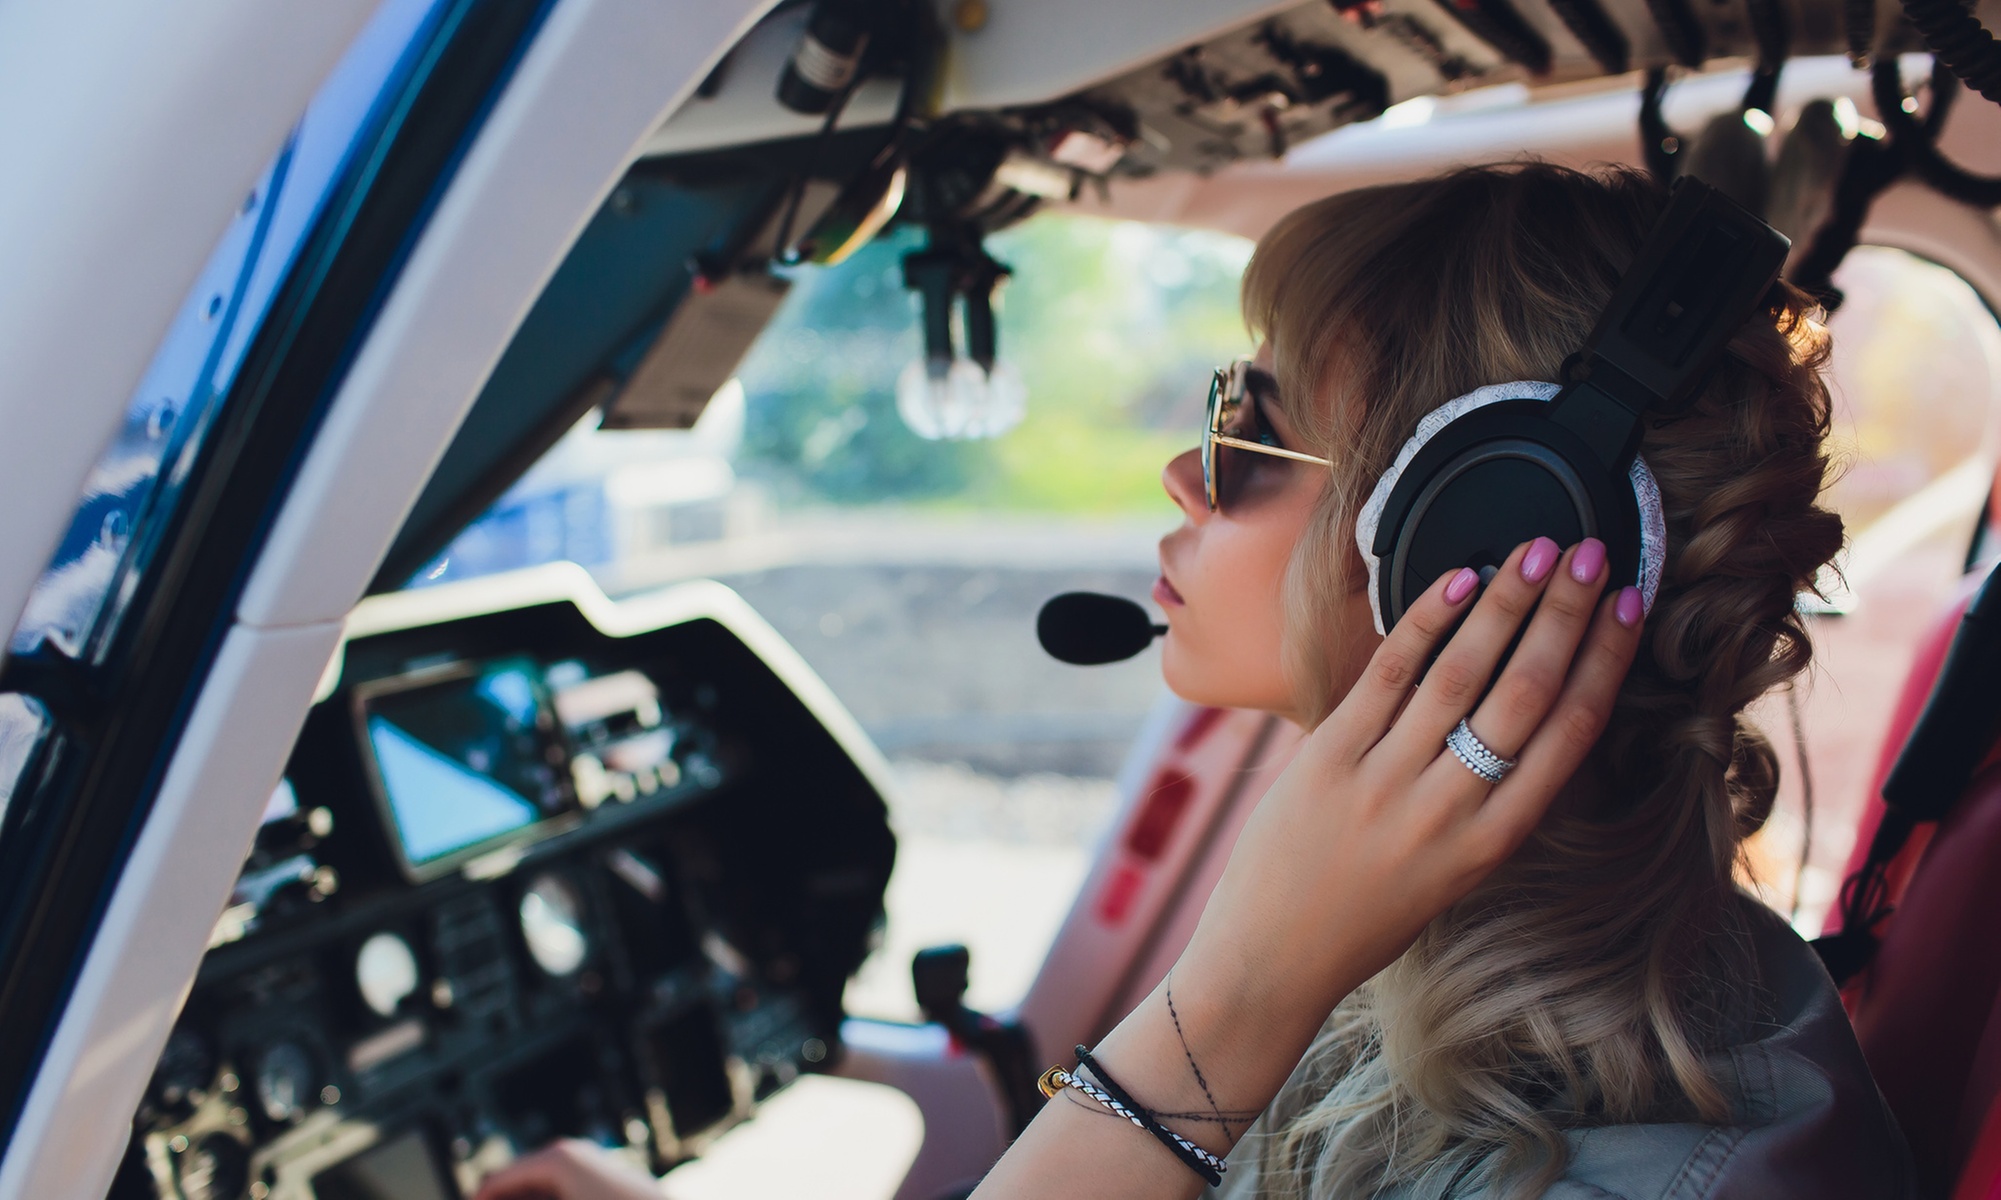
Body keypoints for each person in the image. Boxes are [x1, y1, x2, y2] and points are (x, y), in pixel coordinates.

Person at [477, 163, 1912, 1200]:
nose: (1180, 471)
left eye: (1248, 422)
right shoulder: (1475, 979)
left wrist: (1224, 1001)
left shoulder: (1641, 1173)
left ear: (1476, 541)